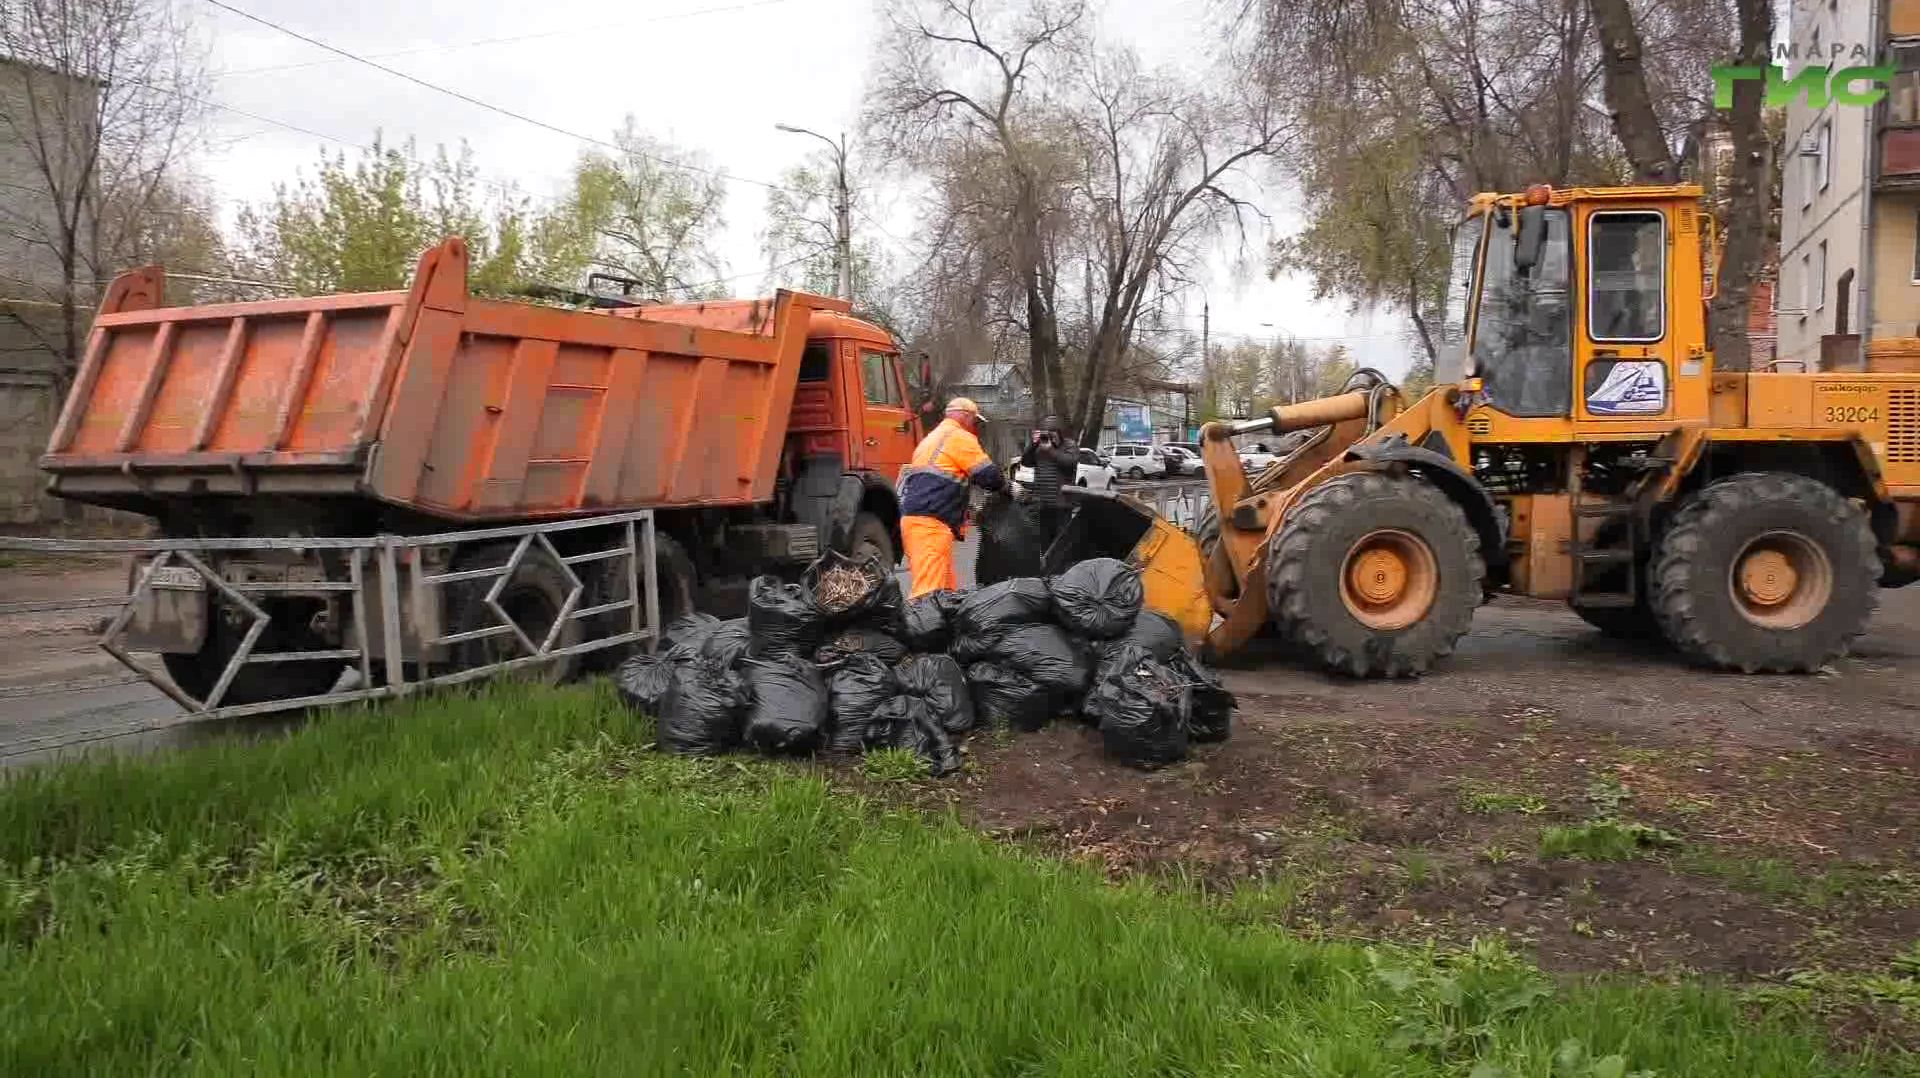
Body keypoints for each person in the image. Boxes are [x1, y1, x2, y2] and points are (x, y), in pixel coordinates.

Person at [898, 397, 1006, 598]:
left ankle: (938, 627)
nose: (976, 428)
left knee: (945, 593)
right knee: (927, 595)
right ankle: (920, 628)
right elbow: (988, 476)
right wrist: (1008, 487)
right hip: (930, 523)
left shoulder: (932, 438)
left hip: (923, 521)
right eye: (975, 422)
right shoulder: (959, 437)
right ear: (966, 417)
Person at [1018, 414, 1078, 543]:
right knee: (1044, 540)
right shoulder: (1039, 447)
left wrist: (1051, 450)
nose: (1049, 436)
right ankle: (1044, 563)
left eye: (1052, 433)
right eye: (1046, 433)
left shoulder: (1069, 445)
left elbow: (1069, 463)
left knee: (1060, 540)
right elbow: (1026, 462)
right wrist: (1033, 445)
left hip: (1062, 502)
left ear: (1059, 432)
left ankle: (1061, 563)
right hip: (1042, 502)